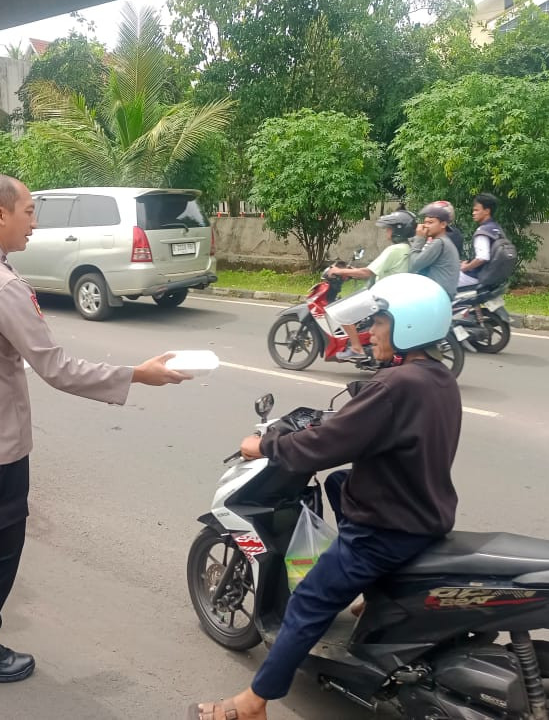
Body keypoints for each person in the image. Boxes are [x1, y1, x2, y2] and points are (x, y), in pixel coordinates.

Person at [0, 174, 190, 687]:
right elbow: (57, 369)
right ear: (0, 214)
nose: (35, 222)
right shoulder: (2, 285)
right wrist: (137, 374)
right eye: (30, 211)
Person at [189, 272, 462, 720]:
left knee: (309, 602)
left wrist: (267, 445)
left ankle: (253, 703)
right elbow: (371, 420)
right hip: (425, 510)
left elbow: (324, 446)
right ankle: (375, 593)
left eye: (380, 322)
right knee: (338, 483)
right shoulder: (436, 377)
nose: (371, 332)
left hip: (383, 531)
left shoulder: (394, 388)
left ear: (409, 326)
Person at [325, 208, 416, 361]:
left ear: (398, 230)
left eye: (389, 228)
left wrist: (339, 271)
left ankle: (356, 348)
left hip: (382, 297)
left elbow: (367, 272)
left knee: (341, 311)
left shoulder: (394, 250)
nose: (387, 231)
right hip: (393, 295)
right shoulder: (407, 248)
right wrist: (351, 272)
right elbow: (377, 272)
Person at [408, 202, 461, 298]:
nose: (426, 226)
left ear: (443, 224)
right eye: (425, 222)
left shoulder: (439, 243)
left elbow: (414, 265)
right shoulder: (444, 241)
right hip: (440, 294)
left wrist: (419, 238)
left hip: (438, 296)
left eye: (430, 222)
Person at [458, 192, 504, 288]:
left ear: (487, 211)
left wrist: (466, 267)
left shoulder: (483, 231)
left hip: (475, 276)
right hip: (491, 275)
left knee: (441, 282)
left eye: (476, 210)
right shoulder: (496, 228)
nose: (473, 213)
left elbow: (482, 257)